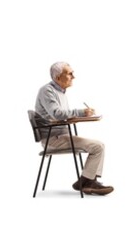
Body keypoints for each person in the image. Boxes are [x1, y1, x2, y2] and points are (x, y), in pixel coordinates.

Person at [34, 61, 114, 195]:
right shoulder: (47, 90)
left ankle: (85, 181)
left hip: (60, 136)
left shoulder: (60, 92)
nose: (73, 76)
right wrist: (81, 112)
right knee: (98, 146)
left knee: (98, 145)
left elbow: (61, 116)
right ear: (58, 77)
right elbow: (57, 114)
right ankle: (87, 183)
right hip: (53, 140)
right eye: (70, 74)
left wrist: (81, 116)